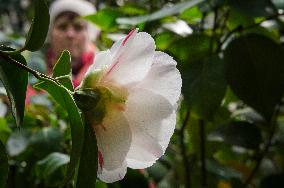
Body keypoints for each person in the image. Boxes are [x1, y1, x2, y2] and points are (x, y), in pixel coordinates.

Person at [47, 0, 100, 87]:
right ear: (50, 33)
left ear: (89, 34)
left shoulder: (102, 71)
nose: (70, 34)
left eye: (78, 27)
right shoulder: (31, 69)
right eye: (62, 27)